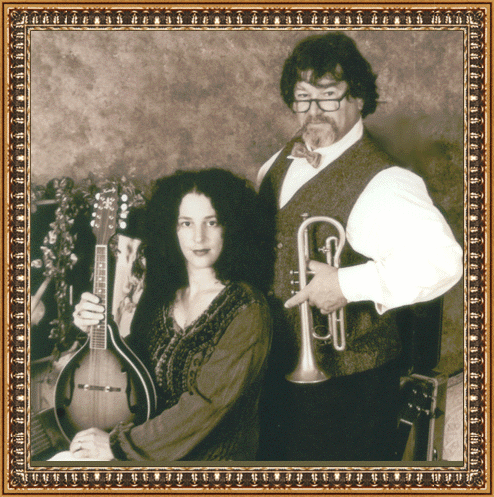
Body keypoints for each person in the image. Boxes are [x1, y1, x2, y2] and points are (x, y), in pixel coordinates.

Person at [256, 32, 463, 462]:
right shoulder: (277, 163)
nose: (314, 110)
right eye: (303, 96)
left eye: (329, 95)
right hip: (274, 372)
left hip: (349, 390)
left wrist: (347, 285)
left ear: (359, 98)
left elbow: (443, 261)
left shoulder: (385, 182)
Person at [68, 168, 272, 461]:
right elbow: (131, 365)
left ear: (232, 226)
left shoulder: (248, 308)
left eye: (212, 222)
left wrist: (117, 446)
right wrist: (95, 330)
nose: (198, 237)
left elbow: (207, 406)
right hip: (144, 455)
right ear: (171, 228)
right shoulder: (162, 297)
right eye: (186, 223)